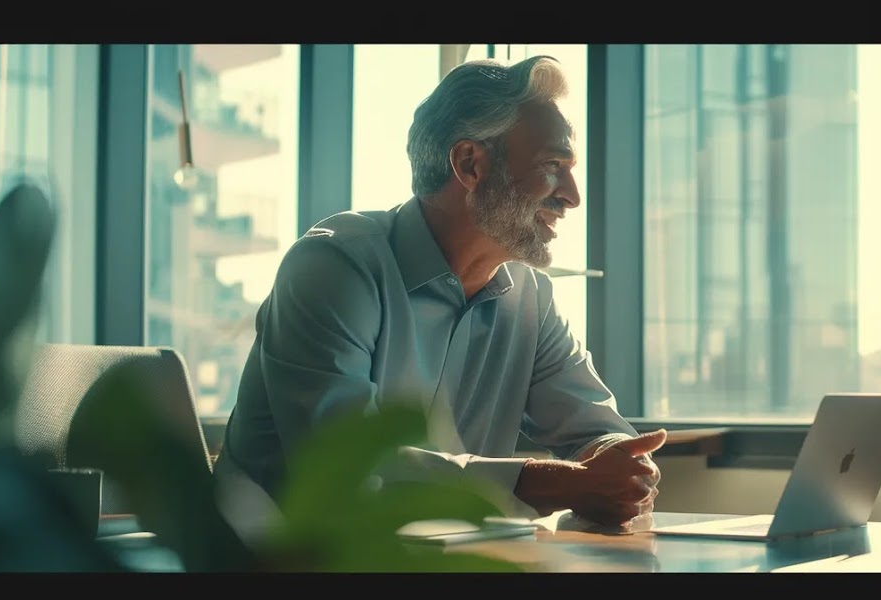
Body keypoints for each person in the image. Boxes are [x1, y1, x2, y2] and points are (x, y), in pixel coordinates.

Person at [216, 56, 663, 528]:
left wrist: (621, 461)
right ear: (470, 164)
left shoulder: (532, 298)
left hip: (445, 555)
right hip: (280, 559)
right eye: (552, 165)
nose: (572, 195)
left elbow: (597, 430)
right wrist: (555, 482)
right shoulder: (333, 268)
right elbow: (346, 472)